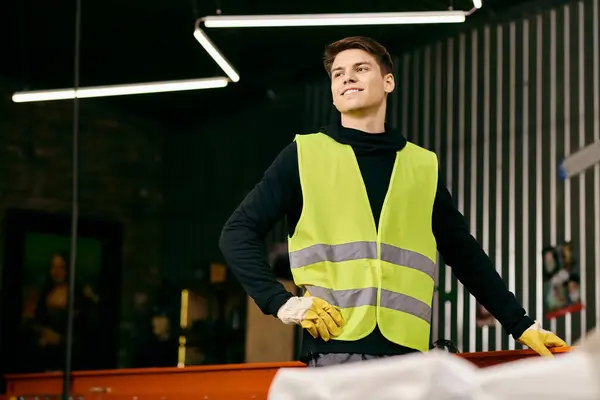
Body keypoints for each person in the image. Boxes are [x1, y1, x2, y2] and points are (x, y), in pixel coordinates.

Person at [219, 36, 566, 367]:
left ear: (388, 82)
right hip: (336, 351)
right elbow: (237, 232)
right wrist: (279, 302)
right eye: (337, 74)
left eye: (360, 69)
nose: (347, 78)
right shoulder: (305, 155)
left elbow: (465, 255)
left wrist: (521, 325)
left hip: (409, 353)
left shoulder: (421, 166)